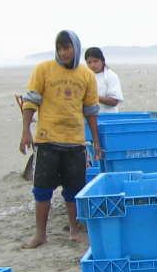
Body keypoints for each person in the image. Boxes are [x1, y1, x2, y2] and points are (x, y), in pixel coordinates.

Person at [19, 30, 102, 248]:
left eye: (67, 47)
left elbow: (91, 110)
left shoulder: (86, 75)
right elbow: (31, 101)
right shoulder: (44, 69)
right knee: (42, 189)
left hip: (75, 141)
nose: (63, 52)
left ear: (76, 48)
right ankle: (40, 234)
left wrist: (96, 141)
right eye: (59, 48)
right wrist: (26, 131)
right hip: (47, 139)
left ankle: (74, 231)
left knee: (74, 189)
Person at [84, 47, 124, 113]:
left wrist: (93, 97)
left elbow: (114, 101)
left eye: (95, 61)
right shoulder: (84, 76)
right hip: (88, 115)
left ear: (102, 61)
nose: (92, 65)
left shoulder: (111, 76)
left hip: (107, 115)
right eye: (89, 62)